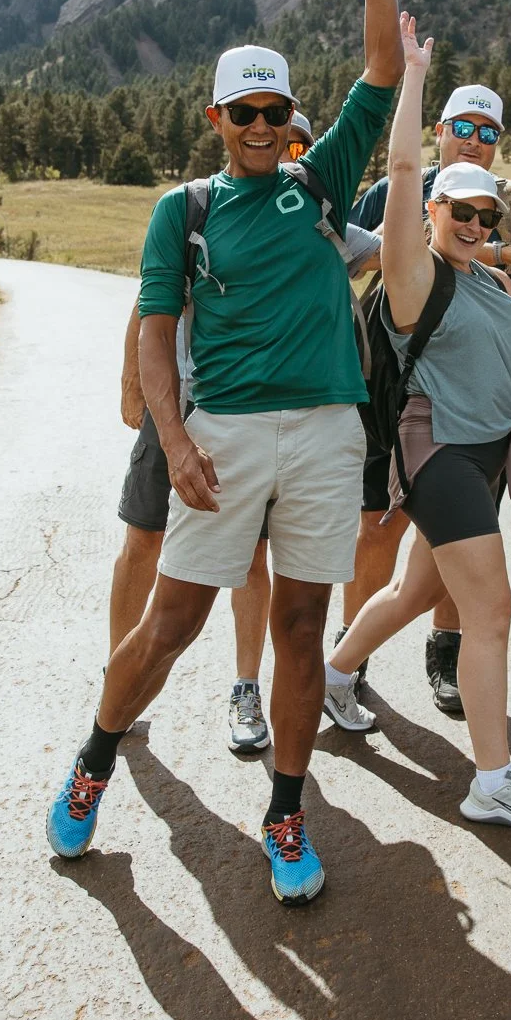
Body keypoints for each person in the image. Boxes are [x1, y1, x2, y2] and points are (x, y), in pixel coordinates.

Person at [47, 0, 401, 908]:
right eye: (241, 111)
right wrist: (175, 435)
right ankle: (94, 758)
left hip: (330, 436)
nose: (259, 127)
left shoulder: (319, 180)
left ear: (292, 117)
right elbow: (155, 331)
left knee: (300, 627)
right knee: (171, 624)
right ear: (214, 116)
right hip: (225, 433)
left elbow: (381, 69)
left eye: (273, 111)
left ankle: (285, 809)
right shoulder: (184, 210)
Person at [320, 17, 511, 830]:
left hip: (489, 458)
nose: (475, 224)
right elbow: (404, 164)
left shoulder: (492, 284)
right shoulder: (414, 271)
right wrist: (409, 76)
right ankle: (492, 777)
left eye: (487, 215)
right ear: (433, 209)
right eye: (460, 212)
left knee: (410, 591)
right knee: (492, 612)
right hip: (435, 453)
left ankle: (331, 674)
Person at [107, 108, 383, 757]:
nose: (283, 151)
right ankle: (115, 682)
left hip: (264, 426)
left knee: (258, 563)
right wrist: (135, 392)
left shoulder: (323, 220)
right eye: (273, 137)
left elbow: (397, 248)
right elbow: (150, 306)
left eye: (296, 144)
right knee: (144, 541)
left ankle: (245, 687)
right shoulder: (202, 211)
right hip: (177, 406)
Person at [346, 70, 511, 715]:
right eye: (464, 127)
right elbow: (359, 240)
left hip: (482, 434)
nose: (476, 141)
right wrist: (500, 252)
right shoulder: (399, 206)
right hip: (410, 411)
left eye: (490, 132)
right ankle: (486, 770)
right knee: (388, 537)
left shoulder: (504, 227)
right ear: (441, 133)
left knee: (420, 584)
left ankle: (358, 669)